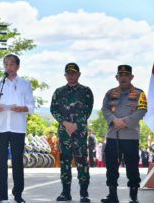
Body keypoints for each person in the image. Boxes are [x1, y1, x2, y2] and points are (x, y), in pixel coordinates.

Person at [0, 54, 34, 203]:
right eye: (6, 64)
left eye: (12, 64)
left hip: (17, 127)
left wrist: (23, 108)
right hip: (1, 127)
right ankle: (1, 194)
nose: (9, 67)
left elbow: (32, 106)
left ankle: (18, 194)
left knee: (17, 162)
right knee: (0, 162)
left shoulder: (24, 83)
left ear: (18, 66)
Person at [101, 65, 147, 203]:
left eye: (126, 75)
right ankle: (112, 195)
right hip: (112, 136)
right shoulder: (110, 93)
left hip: (130, 137)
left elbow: (142, 110)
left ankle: (133, 196)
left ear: (131, 77)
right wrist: (114, 120)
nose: (123, 78)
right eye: (121, 75)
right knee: (111, 167)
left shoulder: (140, 93)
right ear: (117, 77)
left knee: (132, 167)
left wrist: (124, 122)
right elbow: (104, 109)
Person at [50, 62, 94, 202]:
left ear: (78, 74)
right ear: (65, 75)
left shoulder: (86, 91)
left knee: (82, 163)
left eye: (73, 73)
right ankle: (65, 192)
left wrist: (75, 125)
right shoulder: (58, 92)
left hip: (79, 132)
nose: (71, 75)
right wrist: (65, 123)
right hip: (64, 133)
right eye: (68, 73)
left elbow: (87, 111)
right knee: (64, 162)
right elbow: (53, 109)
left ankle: (84, 193)